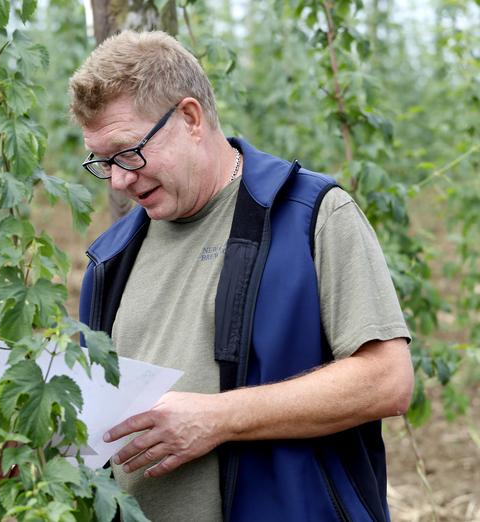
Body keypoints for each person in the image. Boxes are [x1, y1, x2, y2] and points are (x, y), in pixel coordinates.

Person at [69, 31, 413, 521]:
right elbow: (99, 424)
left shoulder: (308, 215)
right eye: (103, 163)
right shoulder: (112, 257)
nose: (121, 180)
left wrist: (217, 418)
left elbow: (386, 380)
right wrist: (30, 454)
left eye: (129, 153)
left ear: (190, 118)